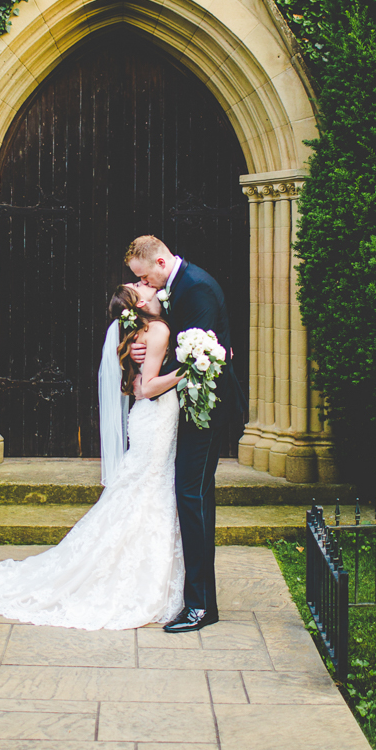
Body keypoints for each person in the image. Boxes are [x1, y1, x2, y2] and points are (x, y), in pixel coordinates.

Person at [0, 284, 184, 629]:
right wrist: (189, 370)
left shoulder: (144, 329)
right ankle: (133, 576)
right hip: (153, 418)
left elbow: (141, 383)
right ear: (140, 303)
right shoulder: (157, 330)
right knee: (144, 489)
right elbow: (149, 385)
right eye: (141, 286)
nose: (149, 287)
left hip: (150, 418)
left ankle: (135, 566)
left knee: (143, 490)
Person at [125, 234, 246, 634]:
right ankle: (200, 598)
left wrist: (155, 361)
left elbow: (202, 356)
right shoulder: (181, 284)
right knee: (195, 496)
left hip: (204, 409)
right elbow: (179, 338)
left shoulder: (197, 288)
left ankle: (199, 607)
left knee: (190, 495)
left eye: (146, 277)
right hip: (192, 405)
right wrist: (145, 346)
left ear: (160, 262)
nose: (148, 287)